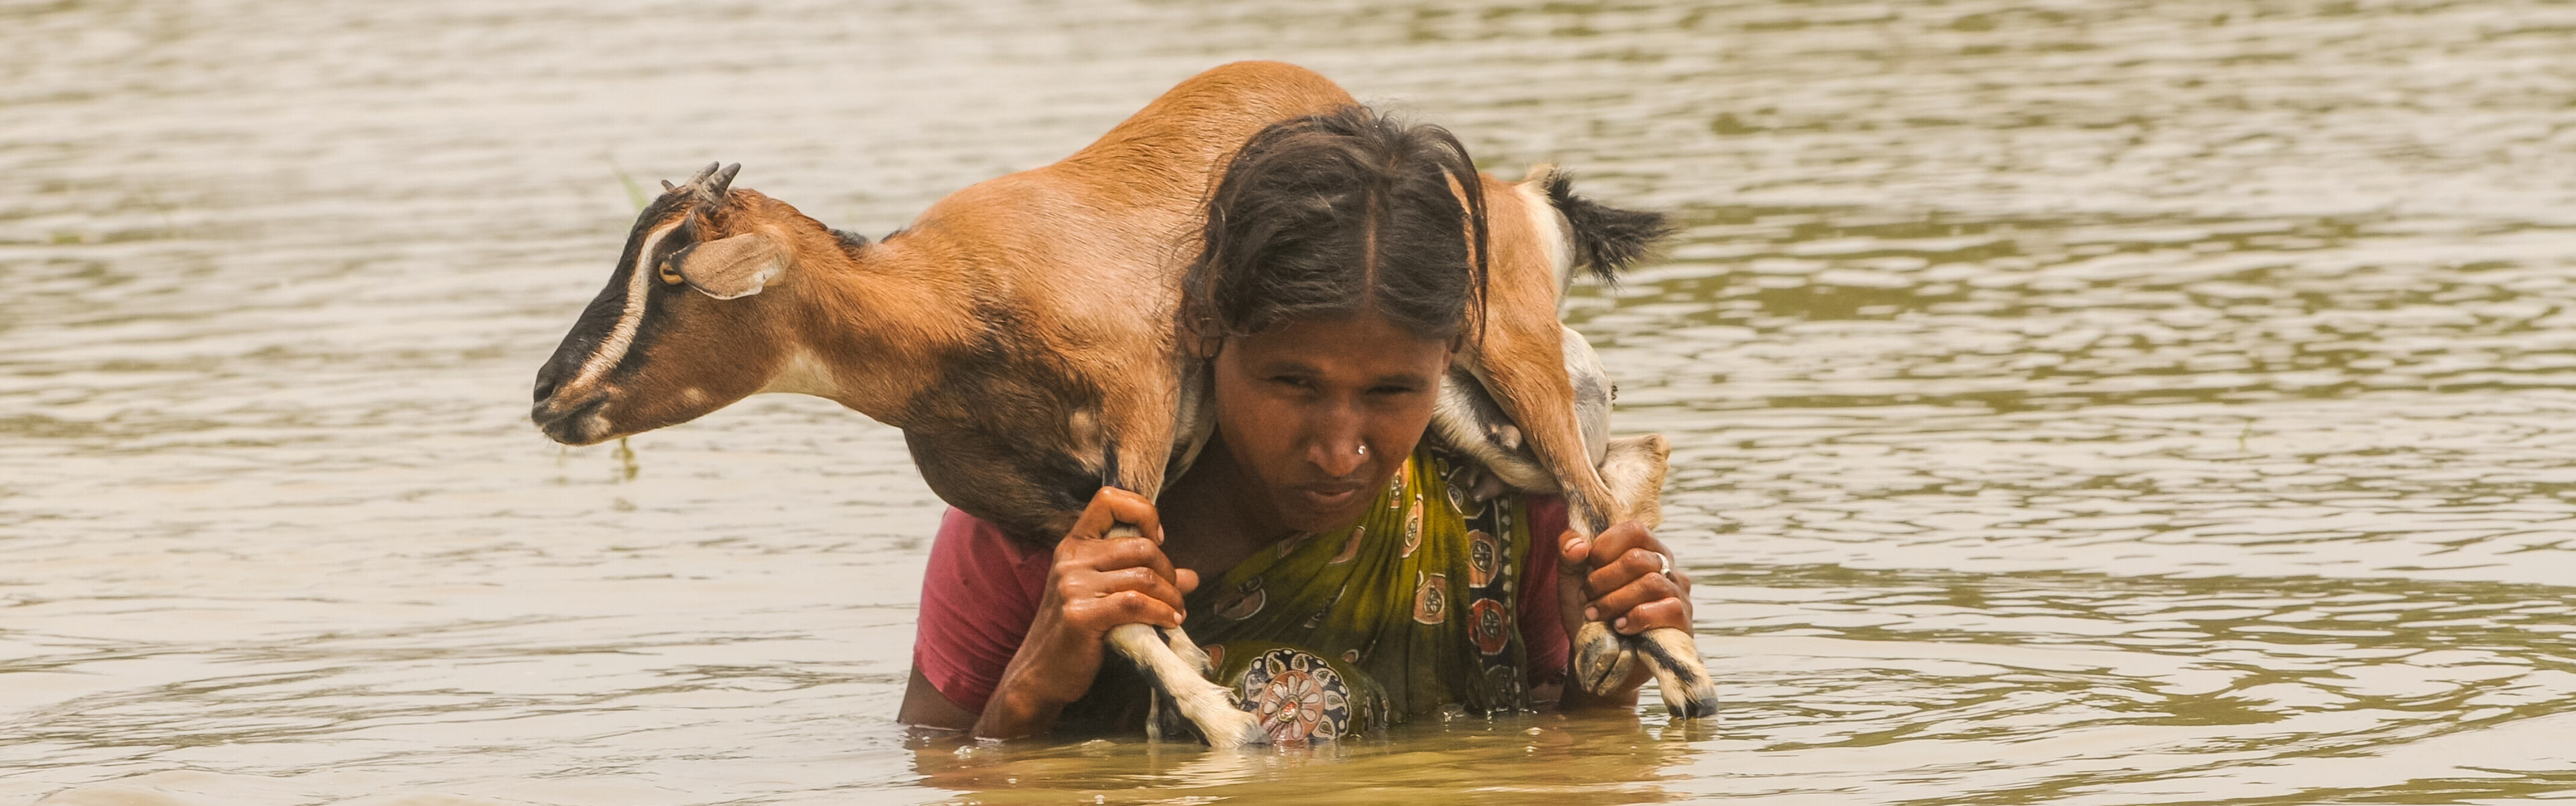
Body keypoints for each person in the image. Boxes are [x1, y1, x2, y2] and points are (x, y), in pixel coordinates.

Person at [897, 105, 1692, 742]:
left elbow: (1573, 766)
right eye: (1293, 382)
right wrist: (1033, 682)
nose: (1340, 448)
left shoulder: (1512, 502)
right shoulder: (1045, 519)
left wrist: (1614, 672)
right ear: (1205, 327)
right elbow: (932, 774)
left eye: (1390, 393)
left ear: (1452, 356)